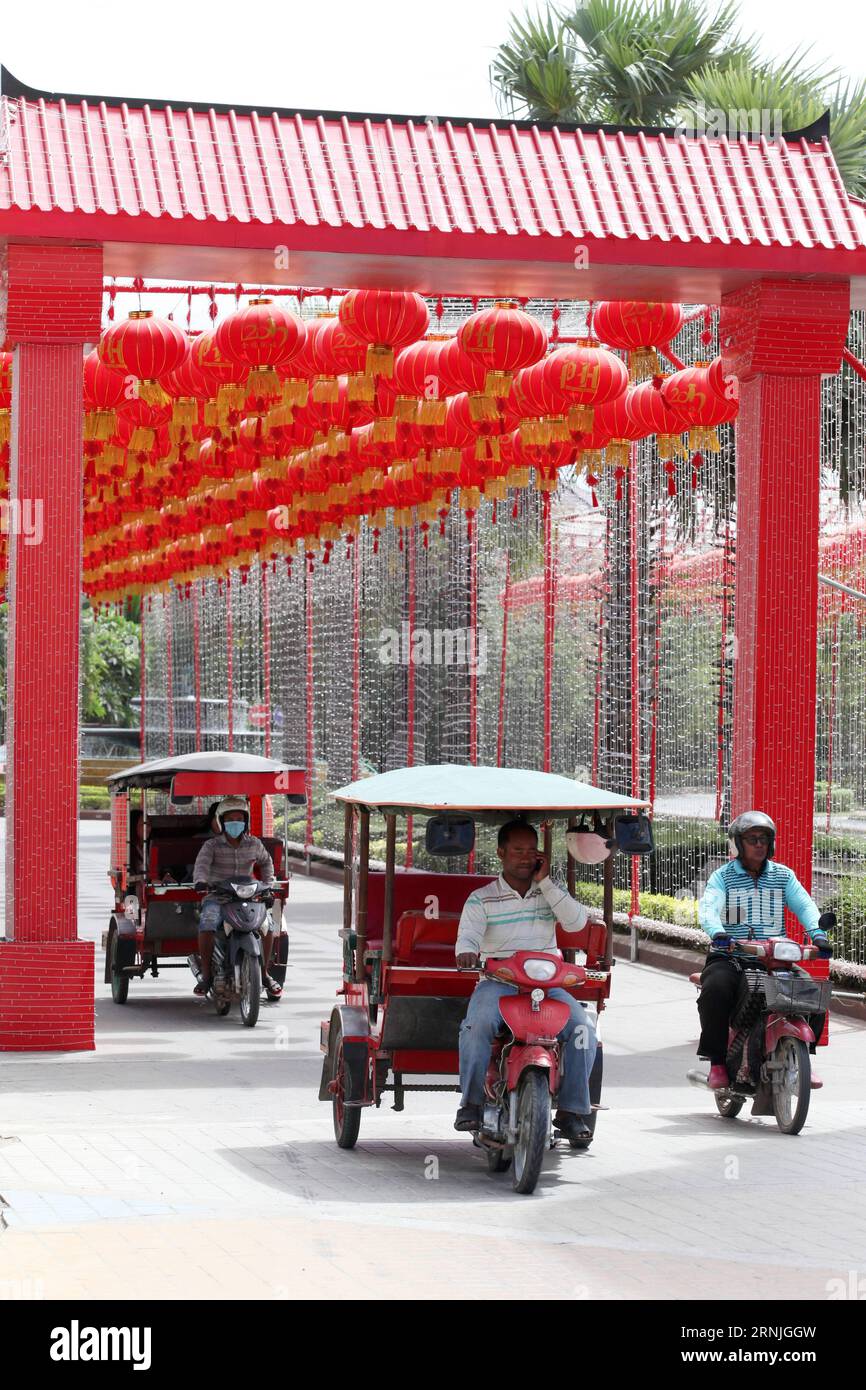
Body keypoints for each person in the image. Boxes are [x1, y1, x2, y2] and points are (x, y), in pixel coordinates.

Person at [453, 819, 597, 1141]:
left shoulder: (549, 893)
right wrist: (466, 952)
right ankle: (471, 1104)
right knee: (475, 1027)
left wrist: (546, 882)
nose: (525, 857)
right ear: (501, 853)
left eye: (532, 850)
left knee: (583, 1030)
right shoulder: (482, 899)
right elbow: (468, 936)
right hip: (499, 982)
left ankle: (572, 1111)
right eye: (517, 850)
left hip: (547, 986)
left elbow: (575, 923)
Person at [697, 810, 833, 1089]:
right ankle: (717, 1062)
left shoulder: (783, 876)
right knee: (716, 990)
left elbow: (805, 906)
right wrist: (718, 933)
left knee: (812, 992)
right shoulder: (722, 877)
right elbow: (709, 908)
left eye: (764, 839)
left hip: (774, 959)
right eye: (752, 838)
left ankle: (803, 1057)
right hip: (731, 954)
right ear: (738, 842)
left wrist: (818, 935)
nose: (759, 844)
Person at [191, 796, 281, 997]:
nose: (235, 822)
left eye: (239, 818)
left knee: (269, 926)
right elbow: (202, 866)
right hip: (217, 897)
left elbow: (266, 862)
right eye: (230, 818)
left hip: (248, 897)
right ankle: (206, 976)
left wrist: (268, 884)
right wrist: (201, 881)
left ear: (246, 821)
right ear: (222, 822)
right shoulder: (211, 846)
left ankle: (264, 974)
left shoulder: (254, 843)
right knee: (207, 924)